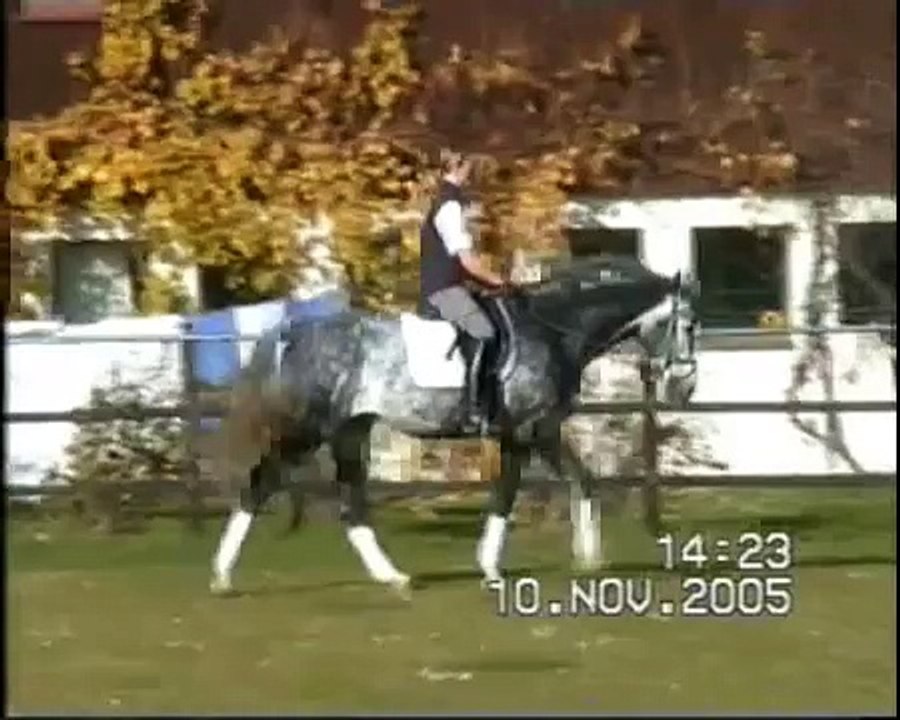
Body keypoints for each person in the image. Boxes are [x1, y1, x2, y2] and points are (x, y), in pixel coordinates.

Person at [419, 149, 508, 433]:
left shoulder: (450, 201)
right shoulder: (449, 207)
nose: (472, 171)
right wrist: (498, 282)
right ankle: (472, 409)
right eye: (469, 165)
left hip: (452, 284)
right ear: (458, 166)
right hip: (443, 290)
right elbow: (467, 261)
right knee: (485, 332)